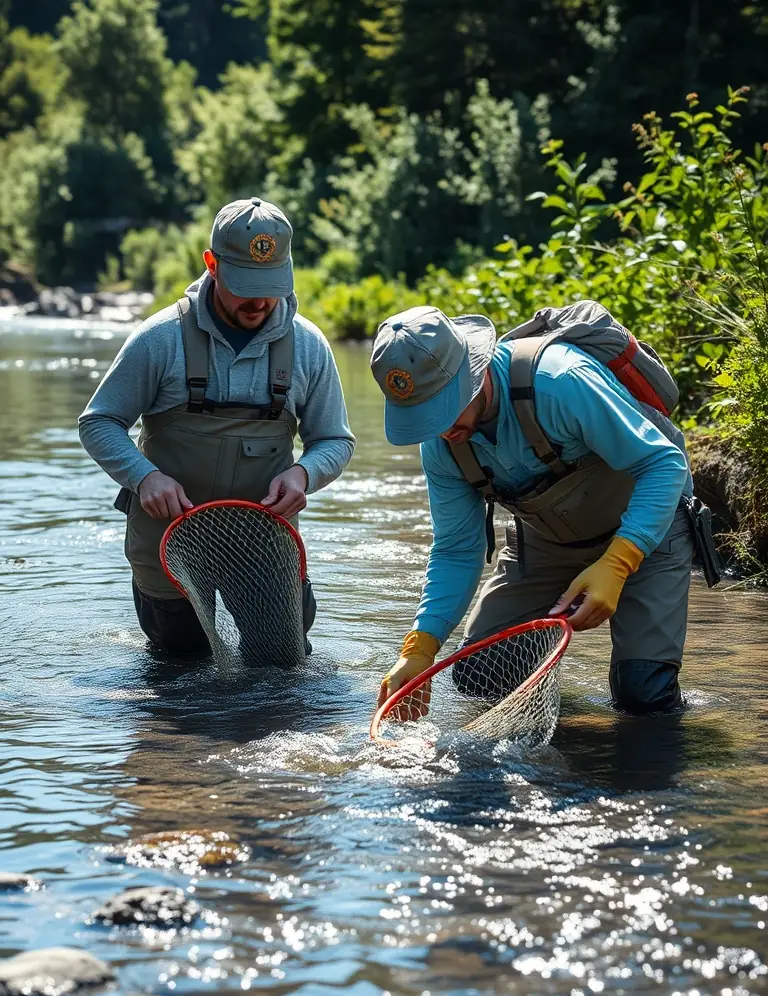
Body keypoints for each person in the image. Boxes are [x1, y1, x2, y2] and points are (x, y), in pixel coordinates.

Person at [370, 305, 693, 717]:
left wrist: (617, 562)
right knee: (481, 675)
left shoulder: (561, 382)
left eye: (443, 408)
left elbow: (663, 465)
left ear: (474, 373)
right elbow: (456, 548)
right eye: (424, 416)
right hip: (546, 543)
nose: (439, 429)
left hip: (651, 526)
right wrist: (420, 646)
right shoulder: (441, 444)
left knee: (643, 696)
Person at [79, 197, 355, 656]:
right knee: (179, 679)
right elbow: (99, 422)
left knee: (280, 676)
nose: (260, 301)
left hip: (265, 544)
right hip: (168, 544)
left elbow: (334, 440)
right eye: (246, 284)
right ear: (212, 264)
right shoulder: (159, 338)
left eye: (271, 284)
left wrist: (305, 473)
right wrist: (144, 476)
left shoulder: (308, 346)